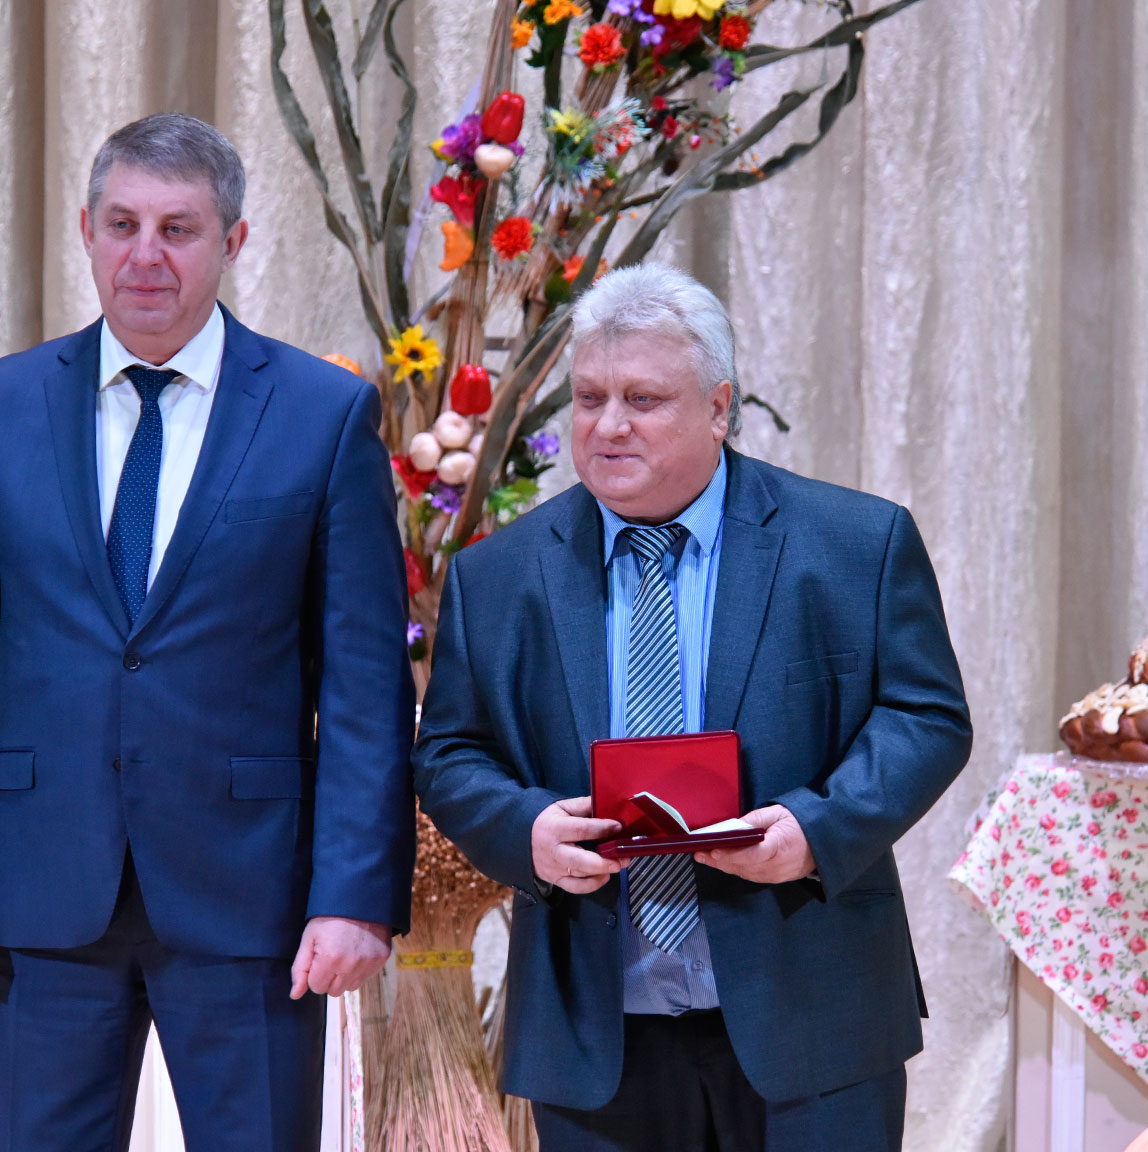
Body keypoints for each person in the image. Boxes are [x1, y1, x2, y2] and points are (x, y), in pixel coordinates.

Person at [0, 113, 415, 1152]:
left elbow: (366, 688)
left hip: (251, 902)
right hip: (46, 900)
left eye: (179, 229)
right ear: (86, 231)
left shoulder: (323, 414)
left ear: (234, 241)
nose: (146, 255)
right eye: (122, 224)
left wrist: (355, 895)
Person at [413, 265, 972, 1151]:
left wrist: (816, 828)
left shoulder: (854, 543)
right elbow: (449, 752)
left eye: (643, 399)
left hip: (813, 1010)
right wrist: (527, 832)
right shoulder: (498, 575)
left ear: (719, 408)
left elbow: (925, 717)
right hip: (596, 1033)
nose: (608, 424)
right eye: (589, 398)